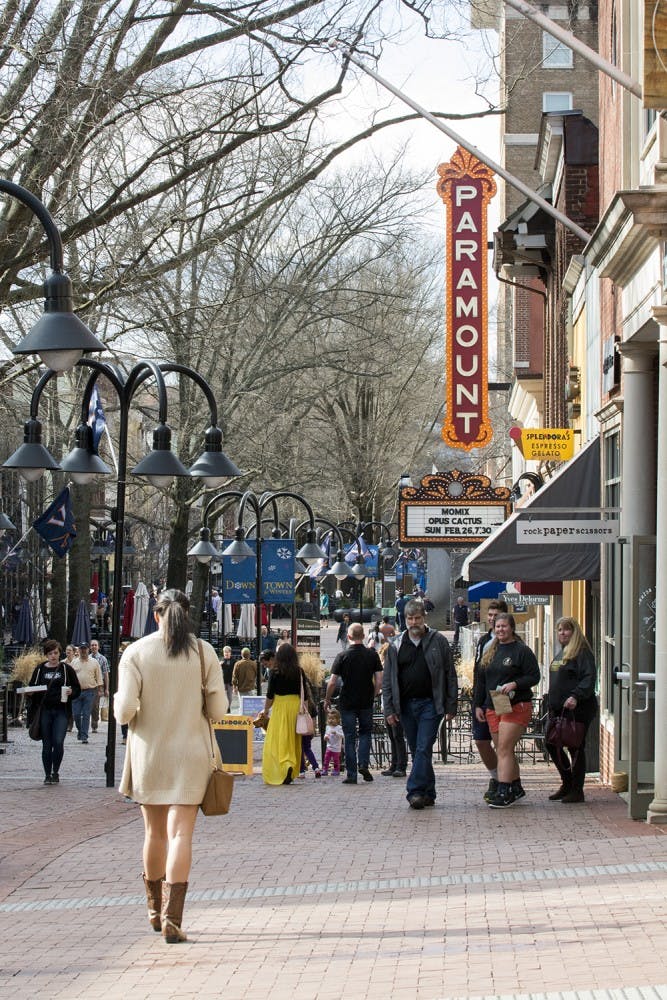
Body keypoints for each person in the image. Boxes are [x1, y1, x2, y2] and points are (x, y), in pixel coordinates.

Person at [115, 588, 227, 943]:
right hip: (191, 753)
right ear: (187, 613)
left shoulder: (135, 653)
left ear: (156, 615)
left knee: (154, 833)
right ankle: (173, 917)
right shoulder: (203, 652)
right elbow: (219, 711)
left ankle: (152, 908)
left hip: (149, 754)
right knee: (181, 834)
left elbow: (124, 712)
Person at [383, 599, 458, 809]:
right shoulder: (396, 645)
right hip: (406, 705)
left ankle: (414, 791)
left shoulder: (438, 641)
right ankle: (428, 792)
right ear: (405, 619)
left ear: (424, 617)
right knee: (418, 750)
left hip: (431, 704)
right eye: (410, 618)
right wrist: (389, 708)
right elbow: (388, 680)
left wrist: (451, 704)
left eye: (417, 618)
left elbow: (450, 674)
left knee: (424, 747)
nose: (414, 622)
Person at [473, 612, 541, 808]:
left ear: (511, 628)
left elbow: (534, 676)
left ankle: (504, 790)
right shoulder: (490, 650)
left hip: (516, 704)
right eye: (497, 626)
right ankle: (516, 786)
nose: (500, 629)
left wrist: (515, 684)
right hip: (495, 703)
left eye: (504, 626)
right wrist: (478, 705)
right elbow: (481, 680)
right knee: (504, 749)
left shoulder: (521, 651)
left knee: (503, 748)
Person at [546, 616, 598, 803]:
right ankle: (567, 783)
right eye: (559, 630)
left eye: (566, 629)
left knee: (575, 747)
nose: (562, 633)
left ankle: (577, 790)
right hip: (559, 710)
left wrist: (576, 696)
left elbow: (588, 678)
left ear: (574, 631)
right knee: (551, 743)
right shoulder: (563, 652)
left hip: (577, 709)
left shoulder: (581, 652)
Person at [324, 622, 383, 785]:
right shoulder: (372, 655)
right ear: (363, 636)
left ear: (348, 636)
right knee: (365, 733)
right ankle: (363, 763)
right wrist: (374, 694)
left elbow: (332, 682)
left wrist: (327, 699)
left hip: (347, 701)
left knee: (349, 737)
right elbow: (379, 680)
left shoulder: (342, 656)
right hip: (366, 701)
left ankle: (351, 774)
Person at [26, 639, 81, 784]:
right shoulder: (40, 669)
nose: (53, 656)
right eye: (50, 653)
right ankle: (47, 775)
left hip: (61, 710)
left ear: (59, 653)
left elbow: (77, 688)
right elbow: (32, 687)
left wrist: (71, 692)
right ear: (46, 654)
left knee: (58, 742)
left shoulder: (66, 669)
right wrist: (29, 693)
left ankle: (55, 771)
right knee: (46, 745)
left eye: (55, 653)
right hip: (45, 710)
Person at [471, 599, 508, 803]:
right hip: (483, 697)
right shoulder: (483, 641)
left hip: (501, 697)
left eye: (497, 615)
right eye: (491, 615)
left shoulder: (512, 642)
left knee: (502, 745)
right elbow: (478, 673)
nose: (493, 619)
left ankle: (507, 782)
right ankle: (496, 776)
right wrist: (476, 702)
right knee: (480, 740)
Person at [259, 643, 308, 785]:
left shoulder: (275, 672)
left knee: (277, 739)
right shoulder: (299, 671)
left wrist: (266, 710)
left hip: (280, 707)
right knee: (292, 739)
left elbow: (270, 695)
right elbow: (304, 693)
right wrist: (305, 711)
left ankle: (284, 765)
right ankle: (291, 765)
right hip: (295, 707)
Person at [71, 642, 103, 744]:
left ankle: (84, 736)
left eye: (85, 649)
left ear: (88, 650)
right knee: (76, 714)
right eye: (81, 649)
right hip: (76, 692)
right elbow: (70, 677)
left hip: (90, 691)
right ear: (79, 650)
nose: (83, 651)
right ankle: (80, 731)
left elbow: (99, 676)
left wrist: (100, 689)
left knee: (86, 714)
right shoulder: (74, 662)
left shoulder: (94, 662)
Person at [89, 638, 109, 733]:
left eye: (95, 645)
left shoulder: (102, 659)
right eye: (92, 645)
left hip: (97, 686)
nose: (94, 646)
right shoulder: (87, 658)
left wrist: (106, 689)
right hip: (87, 685)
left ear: (98, 647)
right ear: (90, 647)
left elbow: (106, 674)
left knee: (95, 706)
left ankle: (94, 725)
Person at [232, 647, 257, 711]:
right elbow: (260, 676)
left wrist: (234, 687)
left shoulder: (237, 664)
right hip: (251, 688)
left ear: (241, 655)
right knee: (251, 707)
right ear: (249, 655)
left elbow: (234, 677)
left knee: (242, 706)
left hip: (241, 689)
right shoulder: (254, 664)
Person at [322, 708, 344, 776]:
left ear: (337, 720)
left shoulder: (339, 728)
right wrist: (325, 737)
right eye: (329, 718)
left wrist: (336, 733)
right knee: (326, 759)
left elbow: (342, 736)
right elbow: (326, 734)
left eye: (333, 719)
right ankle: (325, 770)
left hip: (336, 748)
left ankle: (336, 770)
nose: (331, 720)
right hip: (329, 747)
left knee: (336, 760)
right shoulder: (328, 727)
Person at [220, 645, 234, 712]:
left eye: (228, 652)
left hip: (230, 681)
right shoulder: (221, 660)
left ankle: (228, 708)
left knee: (229, 696)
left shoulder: (233, 661)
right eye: (225, 652)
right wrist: (219, 665)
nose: (226, 653)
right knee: (222, 696)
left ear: (230, 653)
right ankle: (224, 708)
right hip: (222, 681)